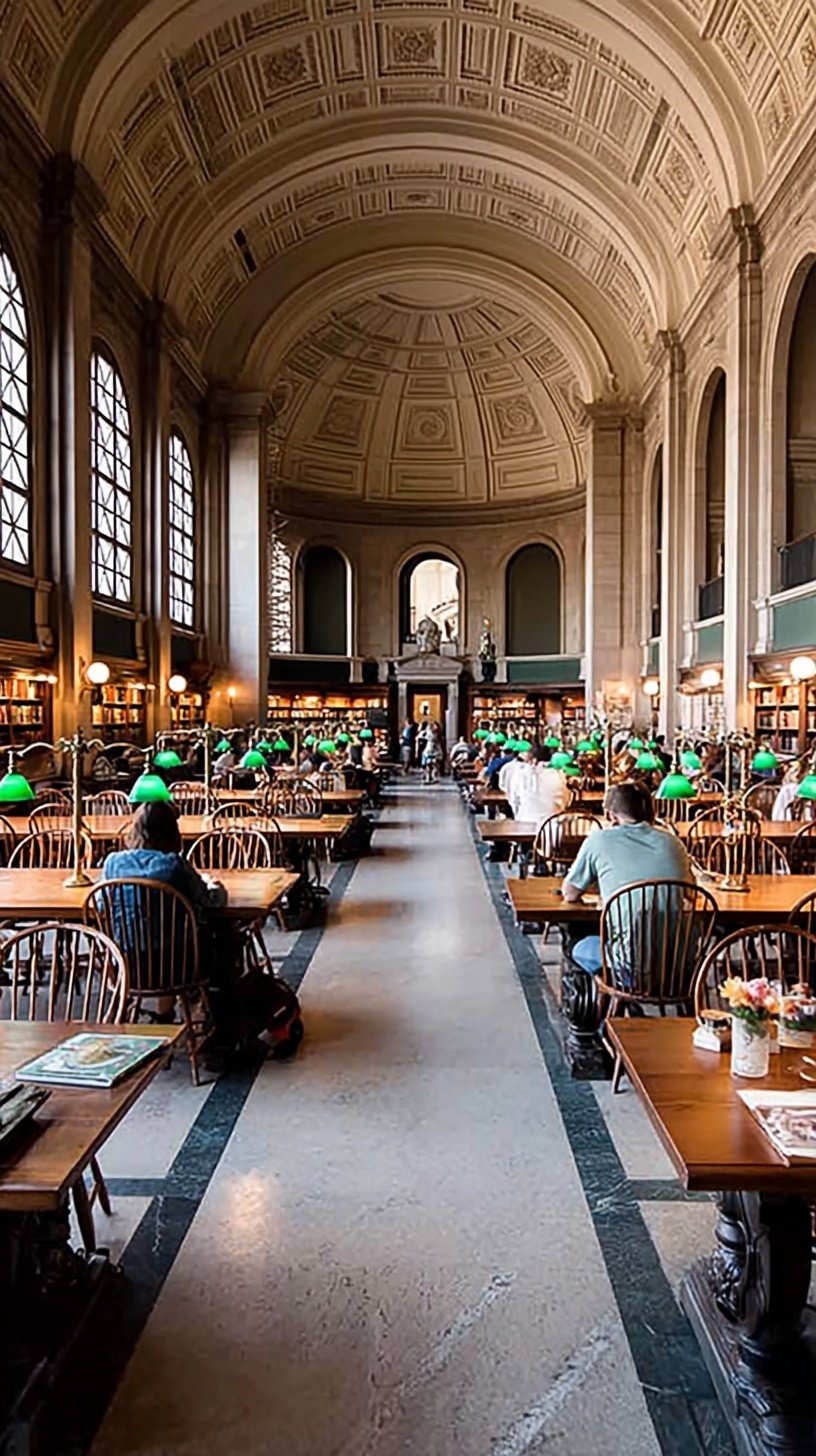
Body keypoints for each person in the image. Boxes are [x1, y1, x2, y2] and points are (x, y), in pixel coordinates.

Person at [562, 780, 691, 974]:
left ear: (610, 815)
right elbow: (690, 893)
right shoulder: (673, 842)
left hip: (630, 963)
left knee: (577, 943)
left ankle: (609, 998)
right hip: (680, 966)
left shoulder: (598, 840)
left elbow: (570, 893)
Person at [514, 744, 570, 826]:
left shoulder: (523, 775)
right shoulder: (558, 776)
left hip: (524, 824)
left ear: (533, 759)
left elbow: (515, 799)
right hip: (553, 829)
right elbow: (566, 801)